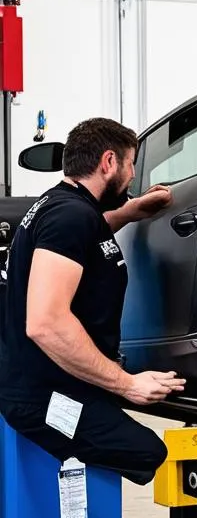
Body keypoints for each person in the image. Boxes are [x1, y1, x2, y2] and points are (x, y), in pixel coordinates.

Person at [0, 117, 185, 485]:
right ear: (109, 162)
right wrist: (126, 384)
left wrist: (131, 212)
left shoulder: (62, 207)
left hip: (44, 383)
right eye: (132, 164)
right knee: (147, 451)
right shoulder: (69, 218)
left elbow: (86, 236)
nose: (133, 175)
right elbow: (46, 324)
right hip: (44, 399)